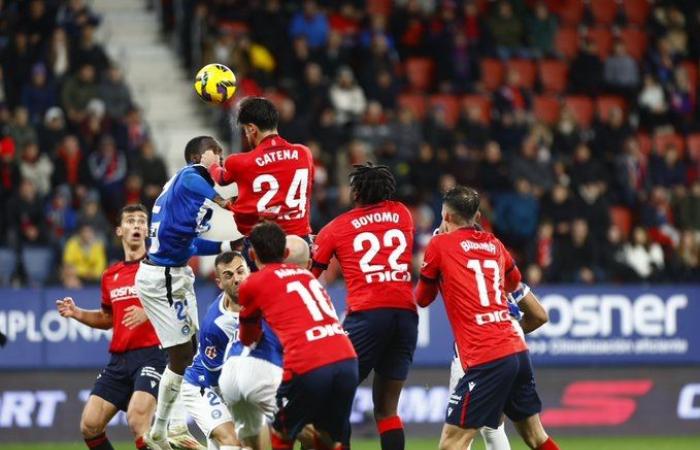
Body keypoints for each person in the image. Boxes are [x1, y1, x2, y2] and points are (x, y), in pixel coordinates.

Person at [415, 186, 560, 450]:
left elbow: (422, 299)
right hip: (516, 350)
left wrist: (437, 262)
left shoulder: (439, 244)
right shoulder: (495, 244)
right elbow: (515, 284)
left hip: (485, 355)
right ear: (478, 216)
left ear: (445, 216)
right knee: (535, 437)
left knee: (451, 443)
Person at [136, 136, 235, 450]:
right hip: (162, 275)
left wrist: (226, 245)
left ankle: (173, 426)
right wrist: (223, 201)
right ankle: (164, 428)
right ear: (198, 155)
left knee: (187, 352)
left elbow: (190, 243)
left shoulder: (188, 201)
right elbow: (198, 179)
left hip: (176, 272)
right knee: (182, 354)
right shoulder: (190, 176)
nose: (219, 157)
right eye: (214, 152)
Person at [311, 163, 416, 450]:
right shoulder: (402, 214)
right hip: (406, 316)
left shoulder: (337, 227)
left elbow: (310, 274)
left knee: (333, 397)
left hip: (368, 314)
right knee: (386, 409)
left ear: (356, 192)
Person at [238, 222, 358, 450]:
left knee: (280, 435)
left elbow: (248, 337)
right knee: (328, 438)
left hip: (309, 364)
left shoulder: (252, 283)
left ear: (252, 255)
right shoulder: (308, 278)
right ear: (284, 253)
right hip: (347, 360)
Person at [55, 205, 163, 450]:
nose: (136, 225)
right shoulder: (110, 275)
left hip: (152, 356)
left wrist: (148, 312)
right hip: (119, 360)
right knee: (90, 425)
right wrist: (77, 313)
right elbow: (107, 318)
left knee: (137, 420)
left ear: (147, 229)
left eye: (141, 221)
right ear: (119, 230)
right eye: (130, 221)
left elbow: (180, 305)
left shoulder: (159, 267)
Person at [219, 236, 308, 450]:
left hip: (230, 372)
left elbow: (246, 332)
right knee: (316, 432)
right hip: (263, 367)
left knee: (251, 443)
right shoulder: (303, 288)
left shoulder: (250, 287)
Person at [448, 283, 549, 450]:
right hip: (514, 347)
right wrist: (509, 332)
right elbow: (540, 316)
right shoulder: (506, 275)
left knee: (456, 437)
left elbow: (423, 297)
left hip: (476, 347)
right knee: (501, 429)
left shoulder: (460, 272)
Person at [201, 97, 314, 242]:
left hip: (265, 245)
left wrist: (212, 165)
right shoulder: (304, 153)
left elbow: (222, 179)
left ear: (251, 129)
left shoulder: (240, 161)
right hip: (301, 242)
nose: (246, 136)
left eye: (245, 131)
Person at [180, 252, 248, 450]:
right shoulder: (215, 324)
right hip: (203, 385)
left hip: (234, 383)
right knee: (232, 442)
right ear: (219, 283)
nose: (236, 279)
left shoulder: (260, 299)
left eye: (240, 271)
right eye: (228, 275)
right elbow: (214, 379)